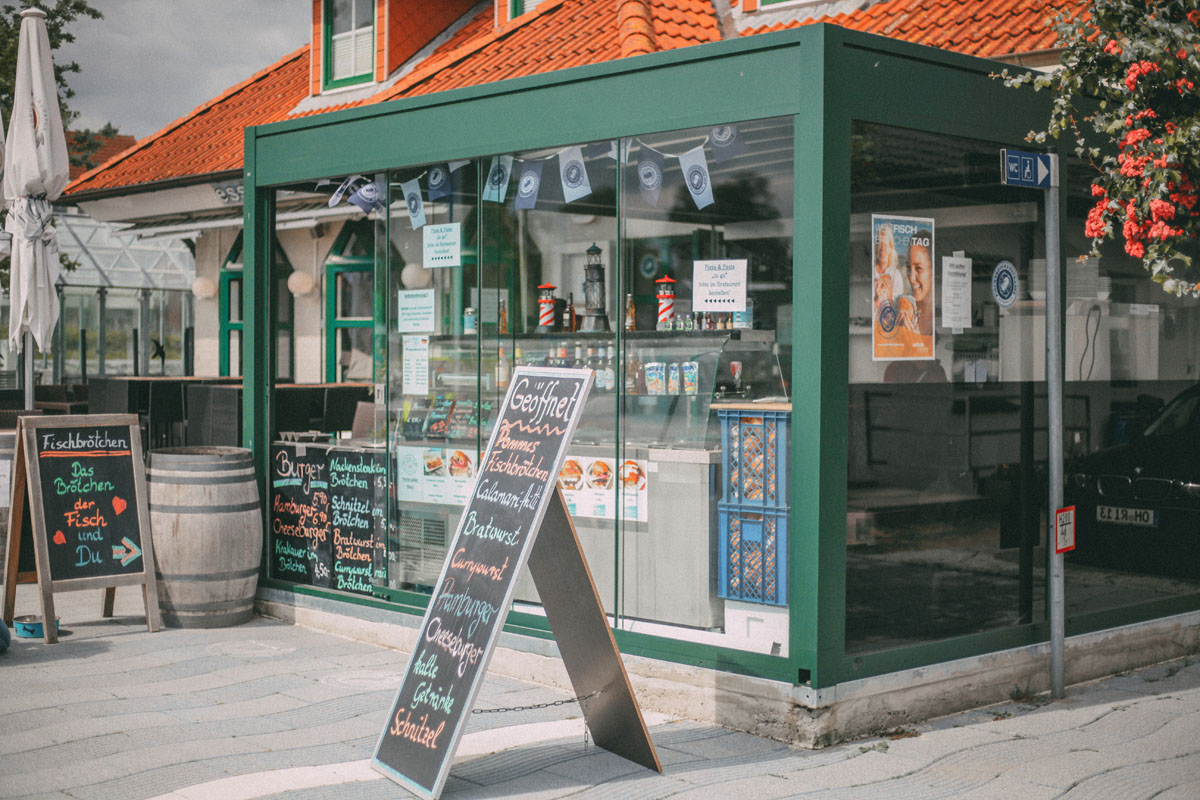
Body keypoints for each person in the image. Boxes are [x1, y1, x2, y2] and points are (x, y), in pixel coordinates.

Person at [904, 229, 934, 335]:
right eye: (908, 267)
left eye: (918, 268)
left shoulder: (941, 320)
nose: (911, 278)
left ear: (933, 270)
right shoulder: (904, 316)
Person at [873, 222, 904, 309]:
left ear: (891, 248)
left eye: (886, 245)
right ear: (876, 247)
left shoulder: (896, 275)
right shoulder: (872, 272)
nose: (882, 249)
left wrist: (889, 295)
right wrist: (877, 298)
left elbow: (899, 310)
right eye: (880, 244)